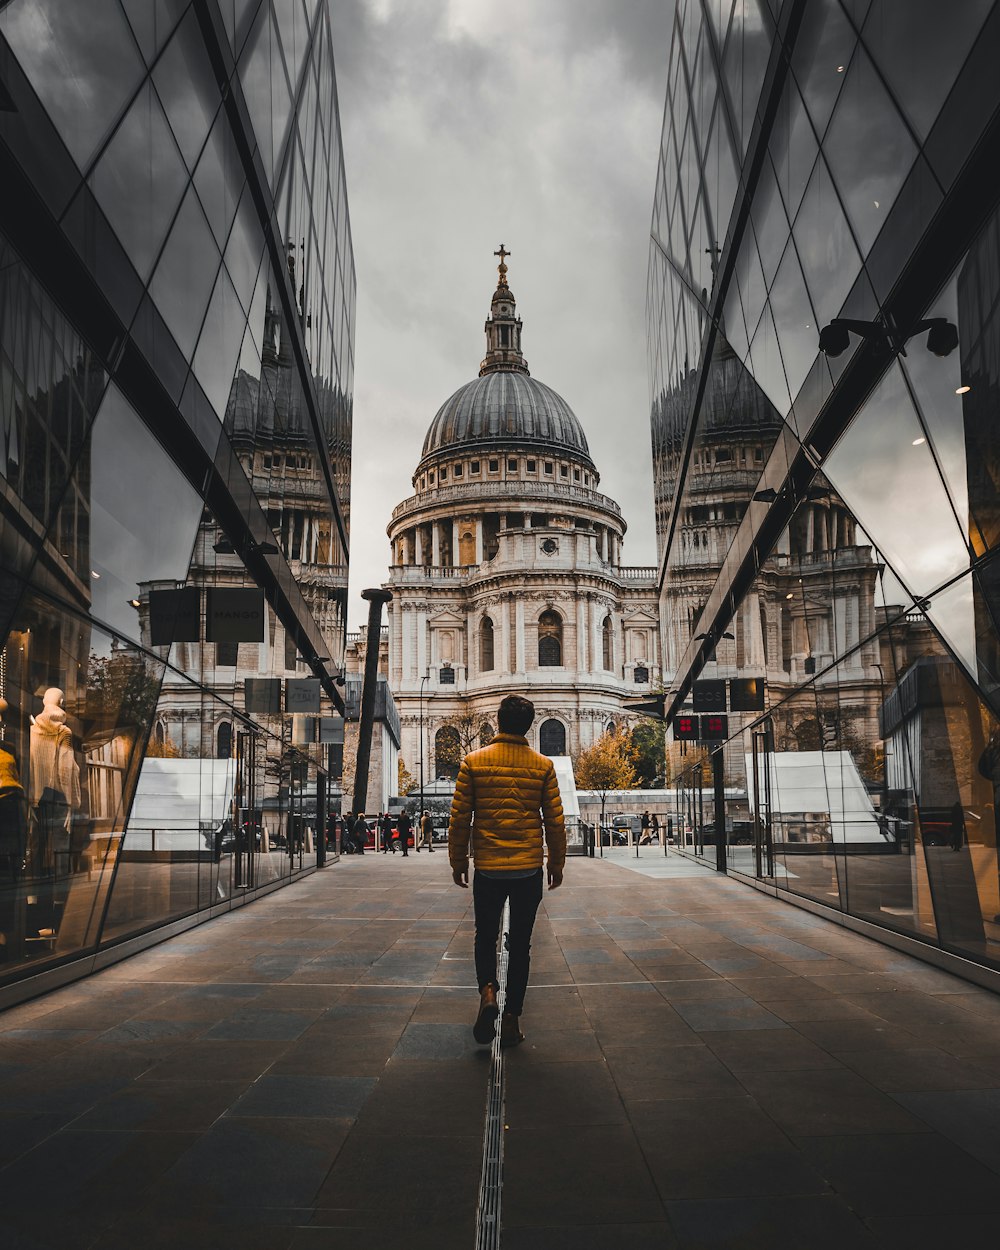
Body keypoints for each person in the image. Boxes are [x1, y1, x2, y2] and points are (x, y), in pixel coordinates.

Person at [448, 694, 565, 1048]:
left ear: (498, 721)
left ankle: (487, 992)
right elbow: (555, 822)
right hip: (528, 868)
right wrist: (555, 863)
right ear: (529, 725)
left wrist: (458, 861)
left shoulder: (473, 761)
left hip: (488, 867)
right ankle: (512, 1018)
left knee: (485, 936)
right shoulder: (542, 765)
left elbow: (460, 819)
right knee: (521, 945)